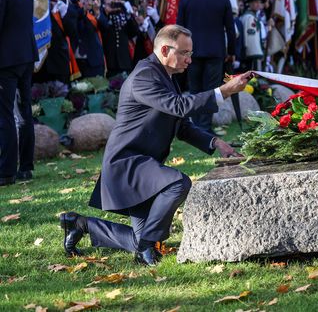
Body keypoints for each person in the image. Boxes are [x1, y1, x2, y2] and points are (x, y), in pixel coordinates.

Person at [60, 25, 251, 266]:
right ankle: (146, 249)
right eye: (184, 53)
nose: (189, 60)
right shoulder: (144, 75)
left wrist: (216, 142)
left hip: (142, 166)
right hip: (127, 165)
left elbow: (181, 125)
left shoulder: (164, 75)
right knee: (178, 183)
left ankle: (79, 224)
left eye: (190, 53)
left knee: (140, 240)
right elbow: (179, 106)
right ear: (164, 49)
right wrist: (223, 91)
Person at [176, 0, 236, 133]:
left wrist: (180, 52)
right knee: (211, 91)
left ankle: (196, 127)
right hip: (215, 53)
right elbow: (230, 29)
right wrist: (231, 52)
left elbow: (179, 29)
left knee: (195, 90)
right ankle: (205, 126)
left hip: (191, 53)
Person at [0, 0, 38, 185]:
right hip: (25, 56)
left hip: (5, 60)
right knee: (23, 112)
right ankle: (25, 166)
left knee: (4, 115)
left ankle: (5, 172)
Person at [35, 0, 79, 84]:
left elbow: (72, 33)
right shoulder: (41, 10)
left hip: (60, 59)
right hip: (44, 59)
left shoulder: (70, 9)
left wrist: (64, 14)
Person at [101, 0, 140, 76]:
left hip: (124, 62)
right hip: (109, 61)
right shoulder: (102, 13)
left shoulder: (124, 15)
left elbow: (133, 32)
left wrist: (128, 13)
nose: (115, 1)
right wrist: (107, 12)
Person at [73, 0, 107, 77]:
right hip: (76, 60)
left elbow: (105, 28)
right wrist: (81, 8)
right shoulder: (73, 10)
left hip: (94, 60)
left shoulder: (99, 12)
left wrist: (97, 12)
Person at [240, 0, 265, 70]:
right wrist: (256, 53)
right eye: (256, 2)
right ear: (250, 4)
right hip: (252, 54)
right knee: (252, 76)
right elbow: (250, 38)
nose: (258, 4)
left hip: (252, 54)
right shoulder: (250, 18)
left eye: (259, 2)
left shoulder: (251, 16)